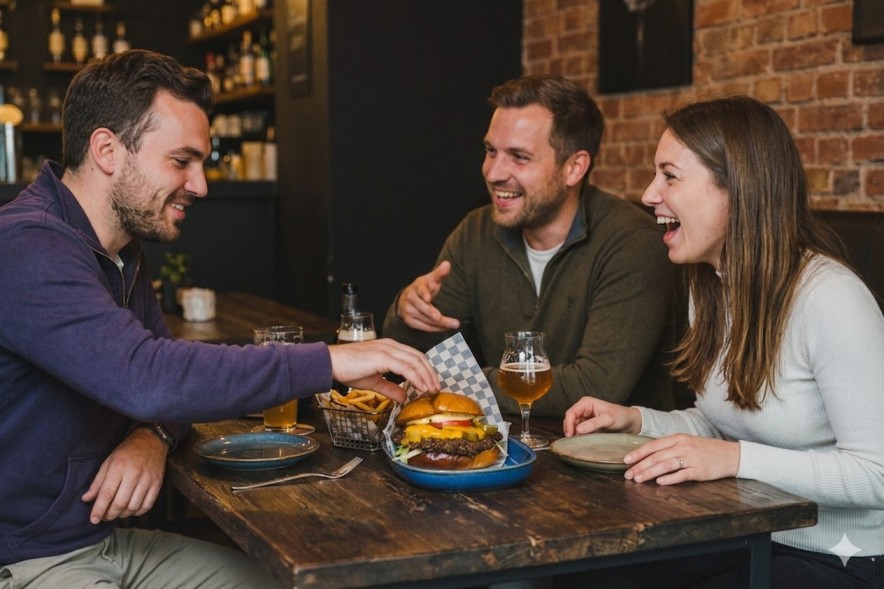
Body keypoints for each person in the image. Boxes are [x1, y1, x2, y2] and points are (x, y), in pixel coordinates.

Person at [0, 50, 439, 588]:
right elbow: (148, 376)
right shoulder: (26, 246)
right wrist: (330, 360)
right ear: (108, 150)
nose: (201, 185)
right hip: (25, 559)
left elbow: (165, 393)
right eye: (181, 161)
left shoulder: (118, 250)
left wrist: (153, 437)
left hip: (101, 541)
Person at [558, 96, 884, 588]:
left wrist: (735, 460)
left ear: (738, 189)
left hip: (839, 557)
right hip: (745, 531)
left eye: (670, 176)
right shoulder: (710, 286)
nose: (649, 194)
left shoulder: (831, 299)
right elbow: (724, 423)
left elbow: (876, 474)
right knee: (584, 575)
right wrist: (637, 420)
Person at [383, 74, 679, 417]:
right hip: (504, 443)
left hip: (618, 461)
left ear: (574, 168)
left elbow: (596, 387)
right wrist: (406, 312)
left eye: (519, 157)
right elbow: (415, 358)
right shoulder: (475, 232)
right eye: (491, 151)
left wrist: (454, 380)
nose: (493, 173)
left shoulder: (632, 242)